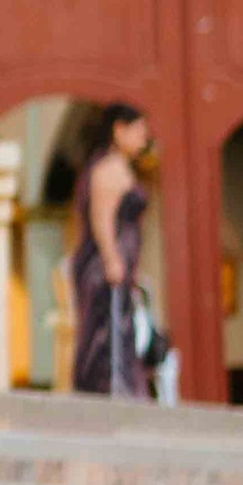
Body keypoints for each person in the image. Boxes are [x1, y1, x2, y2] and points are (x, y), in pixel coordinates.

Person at [70, 100, 160, 397]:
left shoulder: (122, 168)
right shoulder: (107, 169)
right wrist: (111, 258)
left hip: (122, 266)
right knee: (105, 333)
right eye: (138, 130)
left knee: (123, 329)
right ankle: (106, 389)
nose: (143, 138)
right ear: (118, 130)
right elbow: (102, 217)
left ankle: (124, 388)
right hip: (104, 269)